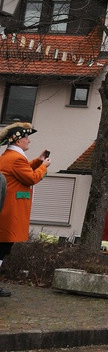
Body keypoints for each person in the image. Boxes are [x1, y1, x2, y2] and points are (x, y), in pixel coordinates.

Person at [0, 122, 51, 297]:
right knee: (3, 248)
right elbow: (31, 178)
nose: (29, 141)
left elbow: (24, 169)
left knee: (3, 247)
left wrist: (38, 161)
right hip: (11, 210)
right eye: (26, 138)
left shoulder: (10, 157)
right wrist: (44, 167)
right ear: (18, 140)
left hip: (7, 208)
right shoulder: (16, 159)